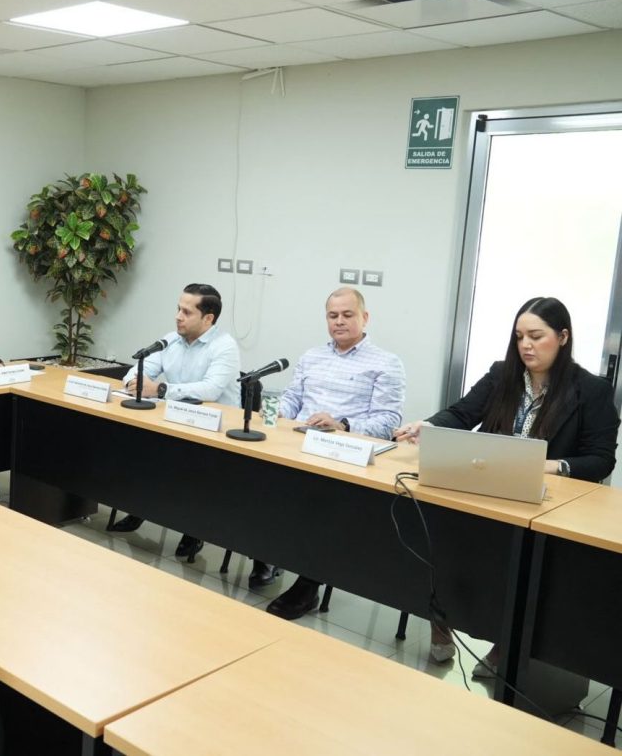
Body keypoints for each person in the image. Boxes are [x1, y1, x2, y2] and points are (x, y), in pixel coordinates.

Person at [394, 296, 619, 673]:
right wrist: (428, 426)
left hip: (543, 503)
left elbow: (600, 459)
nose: (526, 345)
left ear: (563, 337)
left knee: (519, 564)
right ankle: (441, 619)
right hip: (487, 490)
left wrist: (547, 466)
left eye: (536, 336)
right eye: (519, 337)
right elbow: (462, 414)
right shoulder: (502, 375)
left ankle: (505, 643)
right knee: (439, 534)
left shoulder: (591, 390)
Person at [262, 287, 404, 604]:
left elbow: (388, 421)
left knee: (318, 507)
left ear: (365, 318)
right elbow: (292, 398)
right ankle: (265, 555)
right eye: (332, 315)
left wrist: (342, 424)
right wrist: (277, 410)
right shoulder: (312, 356)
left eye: (347, 315)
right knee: (257, 482)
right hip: (296, 446)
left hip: (342, 456)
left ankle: (308, 583)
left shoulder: (386, 363)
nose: (339, 321)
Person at [111, 283, 241, 559]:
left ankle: (194, 529)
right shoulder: (170, 340)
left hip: (214, 432)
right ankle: (141, 507)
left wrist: (160, 389)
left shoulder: (225, 346)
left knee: (189, 467)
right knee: (136, 448)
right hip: (174, 422)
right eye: (178, 309)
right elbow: (140, 368)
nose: (178, 317)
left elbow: (210, 390)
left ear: (208, 318)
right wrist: (134, 381)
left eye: (187, 312)